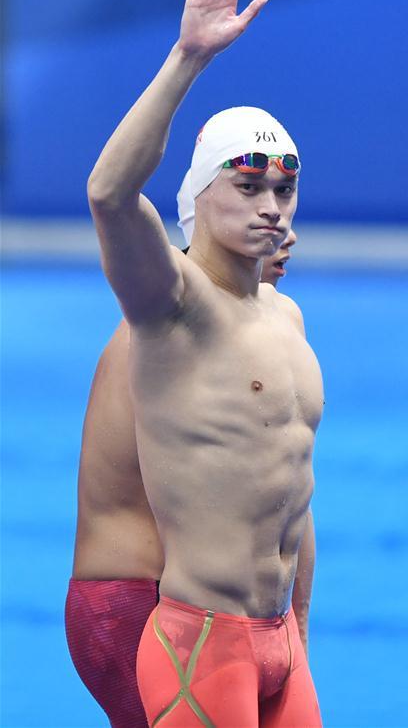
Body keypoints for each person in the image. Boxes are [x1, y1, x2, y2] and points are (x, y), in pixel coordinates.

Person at [86, 0, 323, 727]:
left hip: (280, 642)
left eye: (285, 189)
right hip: (201, 642)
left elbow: (293, 488)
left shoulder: (286, 316)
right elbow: (111, 194)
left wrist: (302, 632)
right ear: (200, 196)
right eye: (249, 182)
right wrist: (186, 59)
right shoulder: (169, 306)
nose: (271, 204)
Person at [65, 223, 303, 728]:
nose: (287, 234)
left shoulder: (241, 335)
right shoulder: (168, 337)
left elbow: (284, 502)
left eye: (284, 195)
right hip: (137, 601)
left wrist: (293, 635)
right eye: (252, 196)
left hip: (148, 602)